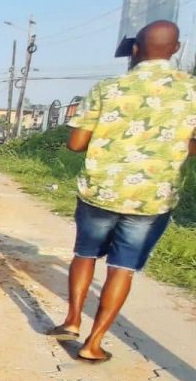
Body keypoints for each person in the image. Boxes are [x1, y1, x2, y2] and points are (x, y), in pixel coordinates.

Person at [49, 20, 196, 362]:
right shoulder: (191, 92)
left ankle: (72, 319)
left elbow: (75, 143)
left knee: (85, 254)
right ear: (176, 49)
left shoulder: (108, 88)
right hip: (152, 197)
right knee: (122, 267)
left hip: (101, 190)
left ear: (134, 50)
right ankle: (93, 343)